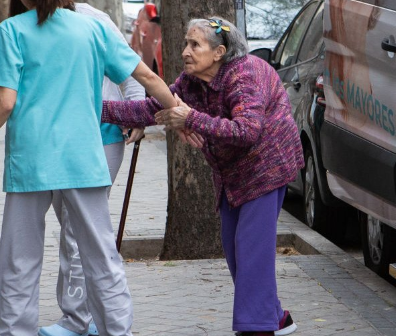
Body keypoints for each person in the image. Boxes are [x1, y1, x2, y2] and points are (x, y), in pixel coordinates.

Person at [0, 1, 177, 335]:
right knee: (101, 256)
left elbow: (5, 102)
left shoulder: (12, 31)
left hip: (31, 160)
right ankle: (118, 331)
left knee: (19, 260)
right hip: (83, 158)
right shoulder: (94, 28)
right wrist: (181, 111)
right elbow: (146, 75)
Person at [101, 17, 304, 336]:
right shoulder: (190, 82)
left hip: (267, 167)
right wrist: (93, 108)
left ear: (219, 52)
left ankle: (257, 328)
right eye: (185, 43)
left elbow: (248, 131)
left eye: (195, 44)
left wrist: (191, 118)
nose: (185, 51)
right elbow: (149, 110)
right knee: (235, 249)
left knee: (251, 251)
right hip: (230, 172)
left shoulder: (244, 73)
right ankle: (274, 317)